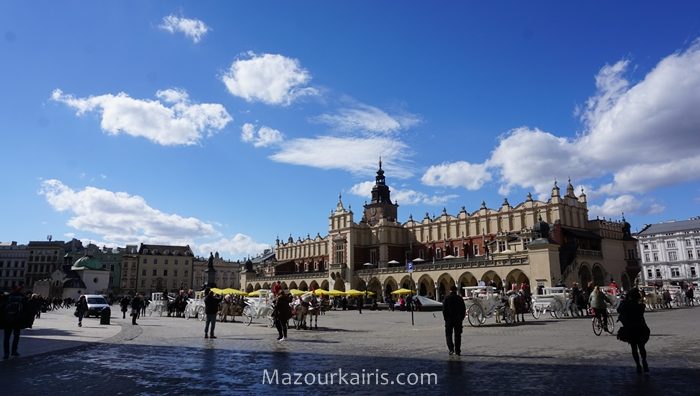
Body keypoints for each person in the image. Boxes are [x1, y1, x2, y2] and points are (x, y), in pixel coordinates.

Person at [617, 288, 650, 374]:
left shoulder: (625, 304)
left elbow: (619, 310)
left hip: (630, 329)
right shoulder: (640, 306)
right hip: (641, 327)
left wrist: (624, 300)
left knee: (634, 348)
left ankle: (638, 365)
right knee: (641, 346)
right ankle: (644, 361)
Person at [2, 284, 27, 359]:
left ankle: (6, 353)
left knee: (7, 337)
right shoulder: (22, 297)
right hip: (17, 320)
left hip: (8, 319)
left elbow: (3, 307)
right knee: (16, 336)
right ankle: (14, 351)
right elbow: (25, 309)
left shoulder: (8, 296)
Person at [442, 285, 466, 356]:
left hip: (449, 320)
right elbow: (463, 310)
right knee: (458, 335)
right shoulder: (460, 298)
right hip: (458, 320)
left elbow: (444, 310)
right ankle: (458, 351)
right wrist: (461, 318)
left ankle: (451, 349)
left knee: (448, 335)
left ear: (450, 290)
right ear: (456, 290)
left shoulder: (446, 298)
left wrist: (446, 319)